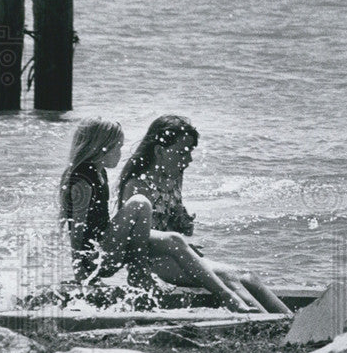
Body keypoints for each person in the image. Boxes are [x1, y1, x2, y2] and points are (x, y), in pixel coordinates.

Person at [59, 118, 253, 312]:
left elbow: (102, 225)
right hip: (95, 259)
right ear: (100, 147)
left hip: (108, 251)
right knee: (140, 202)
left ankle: (226, 296)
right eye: (117, 148)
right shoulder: (81, 178)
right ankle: (139, 272)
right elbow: (77, 231)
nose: (120, 153)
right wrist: (82, 275)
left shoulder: (100, 172)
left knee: (174, 240)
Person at [117, 115, 291, 313]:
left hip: (178, 255)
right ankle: (263, 321)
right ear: (159, 151)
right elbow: (135, 240)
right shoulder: (137, 186)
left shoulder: (173, 177)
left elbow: (170, 223)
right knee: (229, 277)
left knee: (248, 276)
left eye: (190, 152)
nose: (189, 159)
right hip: (155, 262)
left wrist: (182, 223)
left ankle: (289, 321)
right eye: (182, 153)